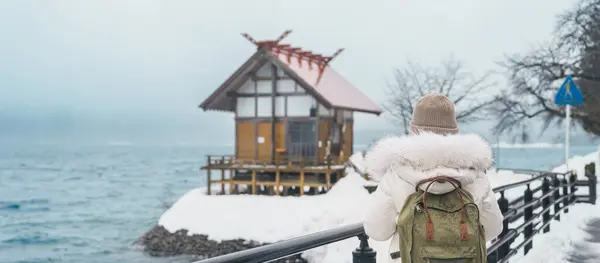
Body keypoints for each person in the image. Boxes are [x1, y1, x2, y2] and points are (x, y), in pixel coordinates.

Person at [362, 93, 504, 263]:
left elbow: (377, 230)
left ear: (413, 129)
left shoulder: (397, 173)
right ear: (454, 132)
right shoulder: (475, 174)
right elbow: (494, 228)